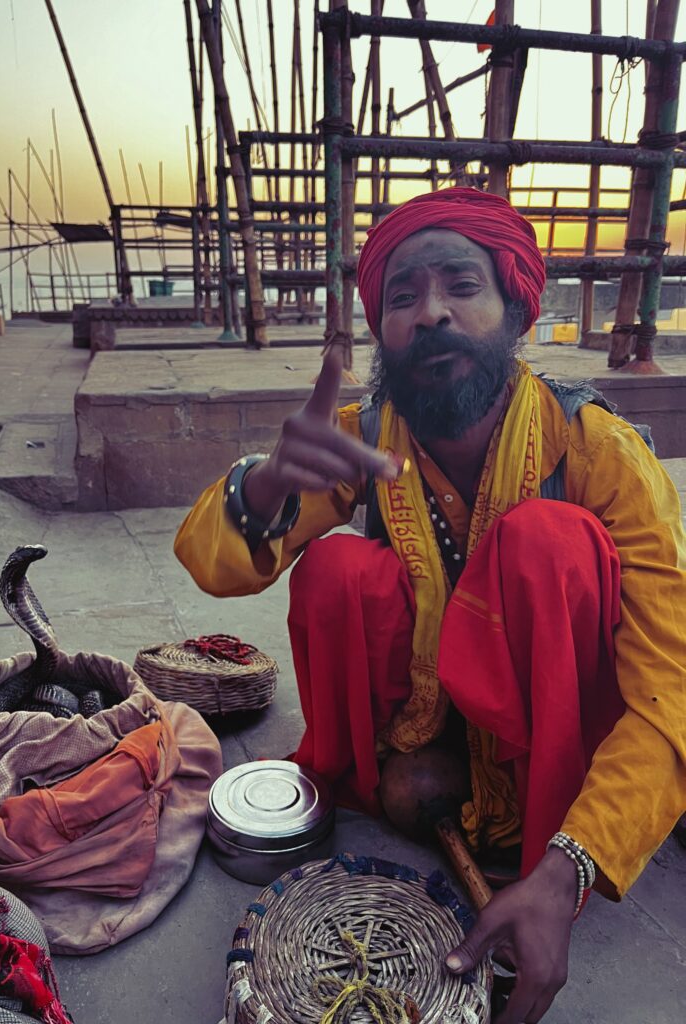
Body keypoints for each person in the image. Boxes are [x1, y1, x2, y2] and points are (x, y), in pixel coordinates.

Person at [175, 187, 686, 1023]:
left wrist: (572, 865)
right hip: (413, 751)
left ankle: (541, 851)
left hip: (546, 773)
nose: (432, 314)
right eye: (403, 297)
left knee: (548, 543)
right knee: (337, 569)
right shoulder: (365, 433)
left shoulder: (601, 452)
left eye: (461, 286)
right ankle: (372, 779)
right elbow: (216, 568)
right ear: (382, 330)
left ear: (517, 308)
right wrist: (266, 482)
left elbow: (674, 688)